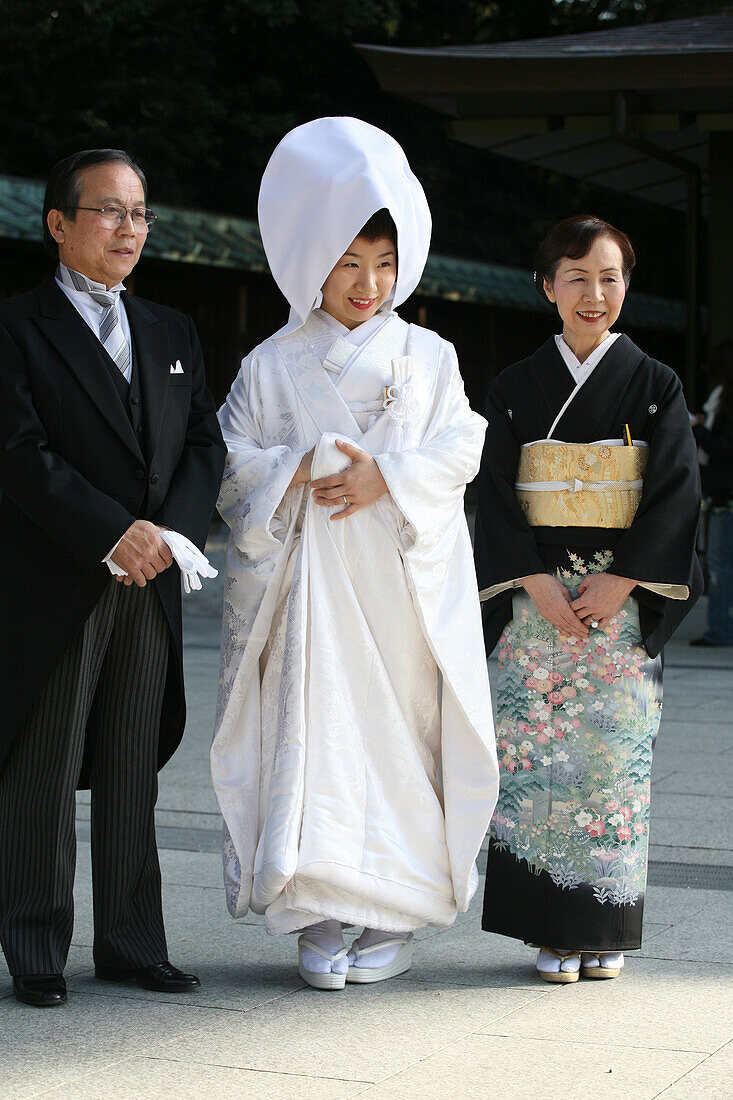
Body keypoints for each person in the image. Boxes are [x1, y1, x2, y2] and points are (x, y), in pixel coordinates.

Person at [211, 117, 498, 990]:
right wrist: (298, 466)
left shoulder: (430, 354)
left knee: (399, 746)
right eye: (347, 263)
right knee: (315, 739)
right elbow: (233, 463)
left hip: (400, 593)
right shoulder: (270, 365)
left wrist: (391, 478)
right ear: (310, 261)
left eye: (382, 262)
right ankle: (318, 912)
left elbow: (462, 448)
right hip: (308, 599)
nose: (368, 283)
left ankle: (394, 912)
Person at [0, 149, 226, 1007]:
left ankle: (133, 942)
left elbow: (203, 443)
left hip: (152, 577)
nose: (128, 228)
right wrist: (111, 532)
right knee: (44, 769)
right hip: (57, 575)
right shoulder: (15, 326)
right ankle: (34, 948)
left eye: (140, 214)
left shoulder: (171, 329)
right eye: (109, 211)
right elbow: (18, 453)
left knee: (134, 763)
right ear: (58, 224)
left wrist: (170, 535)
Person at [474, 215, 702, 984]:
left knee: (609, 764)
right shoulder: (512, 388)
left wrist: (623, 576)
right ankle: (546, 927)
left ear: (625, 287)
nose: (593, 293)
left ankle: (600, 928)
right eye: (575, 277)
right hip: (534, 606)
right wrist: (535, 582)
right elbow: (493, 496)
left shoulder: (655, 383)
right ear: (547, 287)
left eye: (608, 278)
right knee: (532, 765)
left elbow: (675, 491)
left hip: (617, 605)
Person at [690, 340, 733, 646]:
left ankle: (720, 629)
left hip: (725, 496)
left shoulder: (727, 399)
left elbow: (723, 449)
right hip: (724, 495)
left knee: (719, 565)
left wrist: (696, 427)